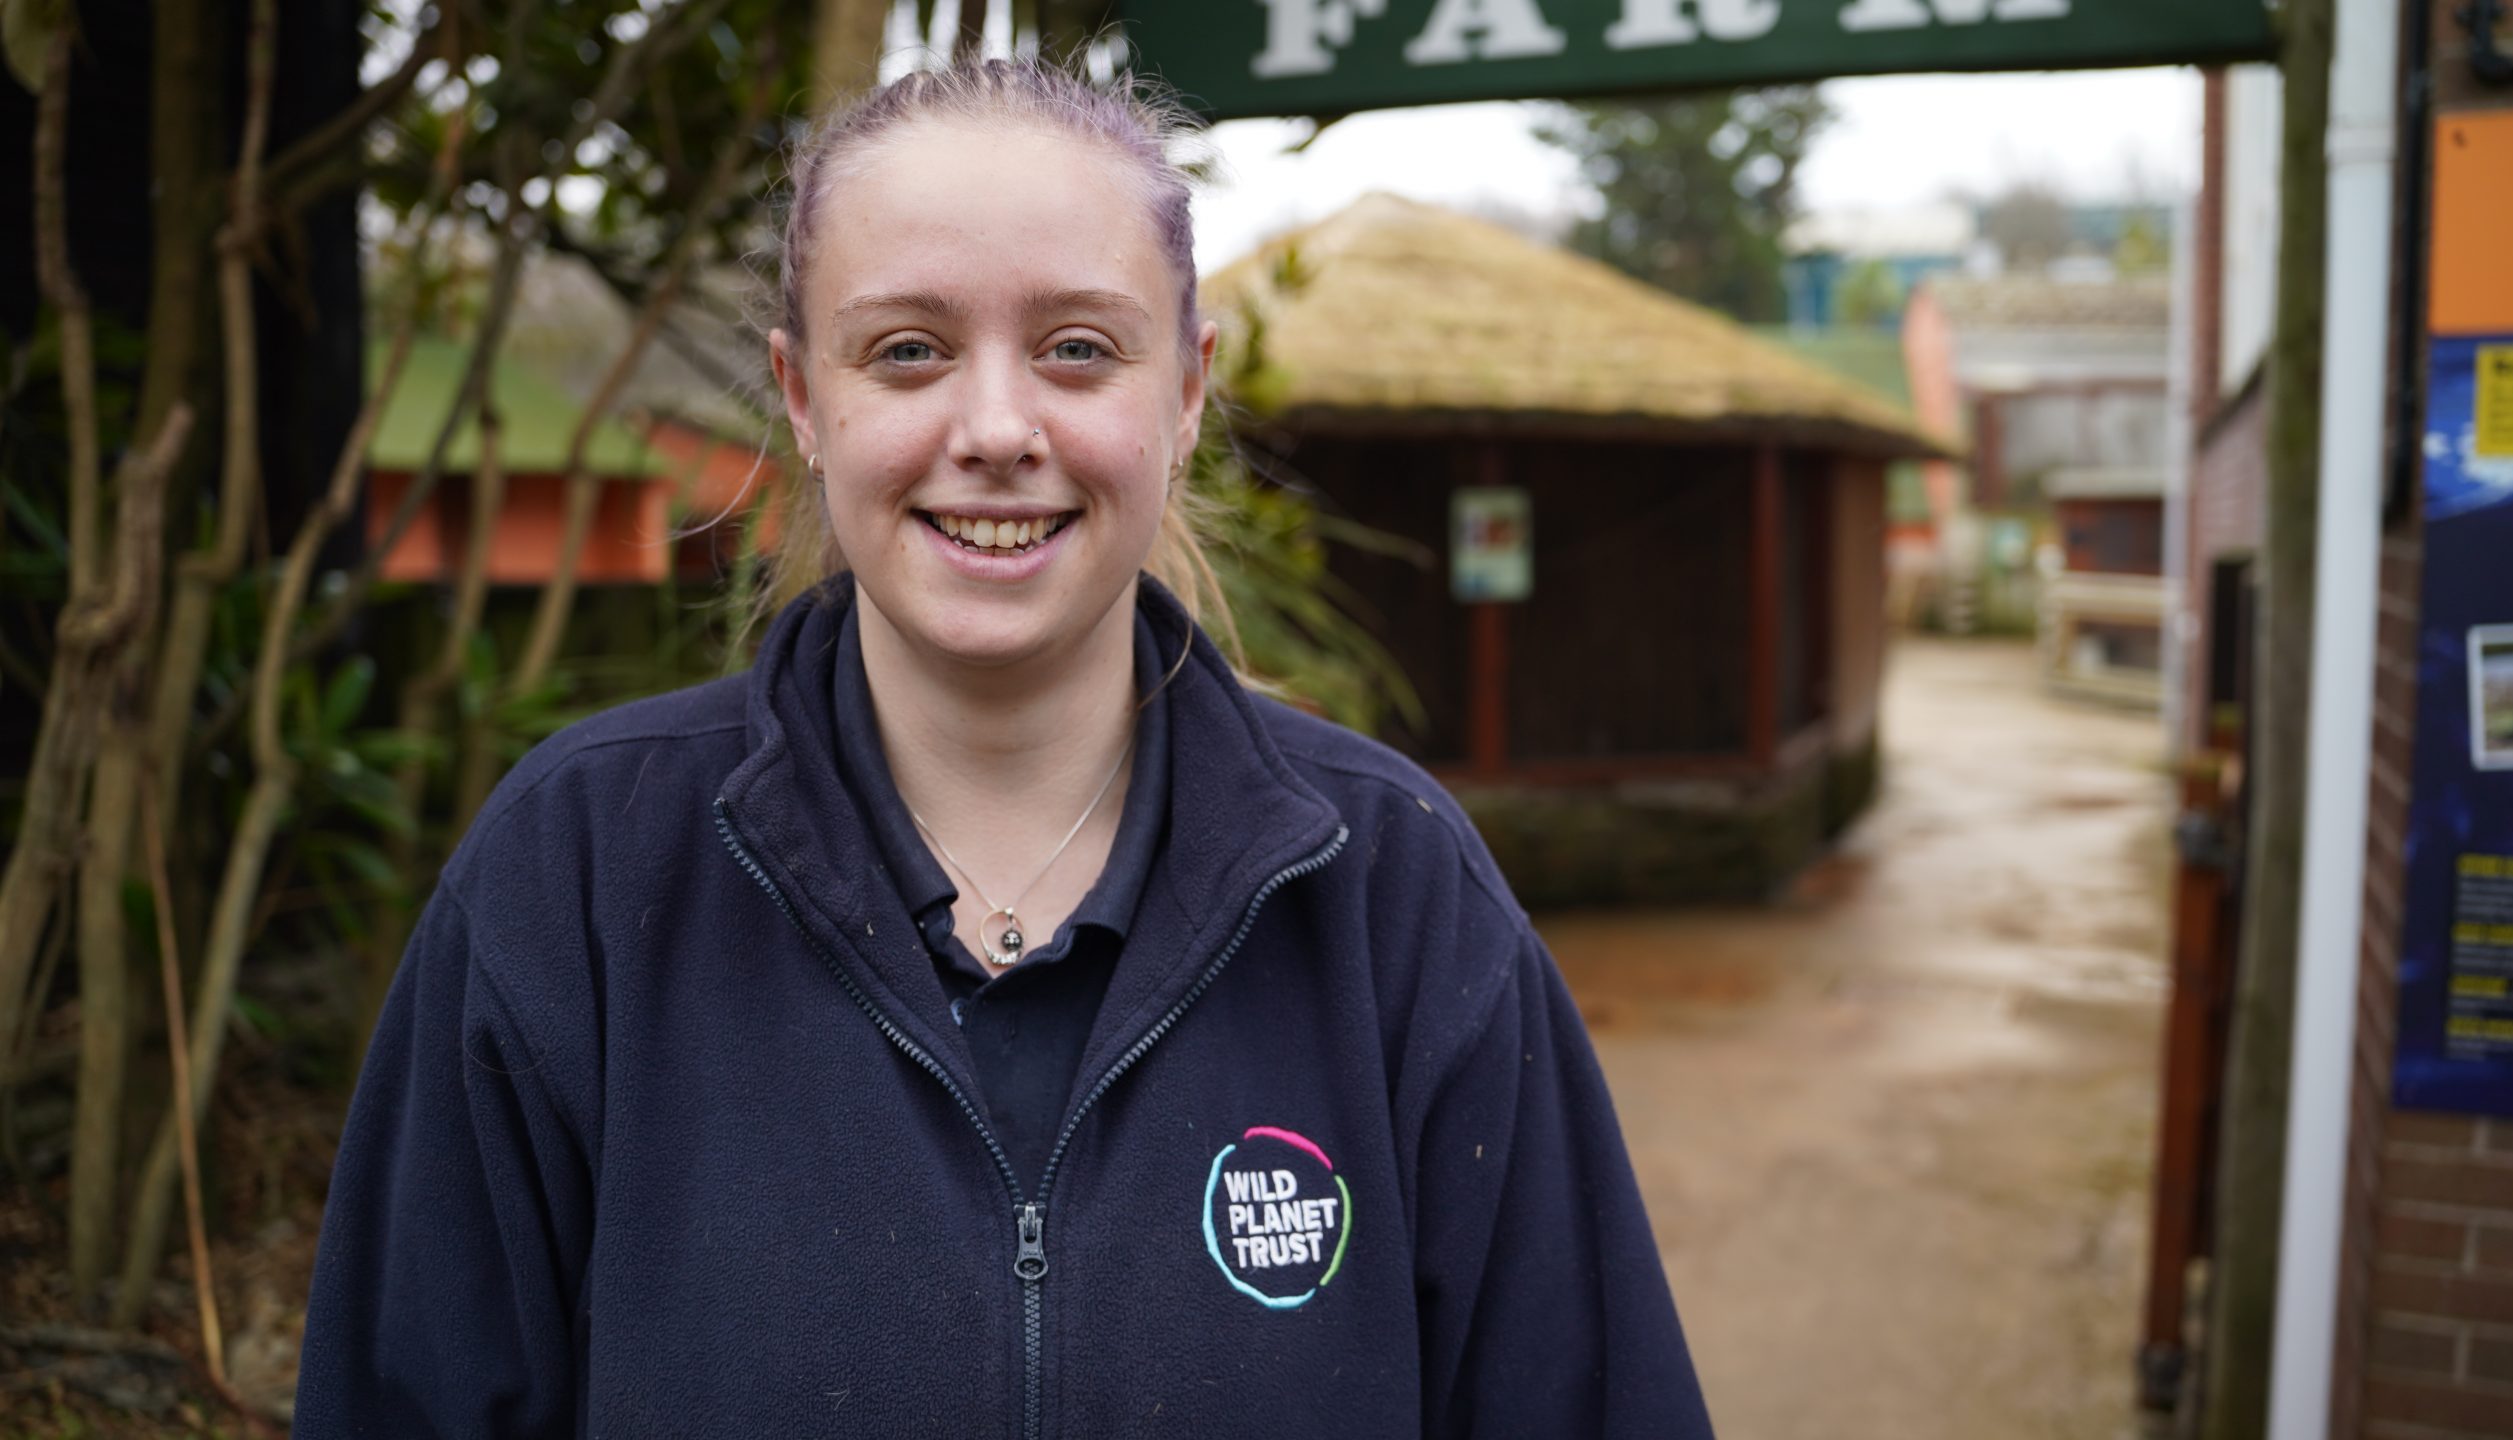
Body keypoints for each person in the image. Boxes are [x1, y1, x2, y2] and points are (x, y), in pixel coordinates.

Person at [296, 57, 1713, 1438]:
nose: (993, 430)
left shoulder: (1394, 897)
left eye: (1077, 349)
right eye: (907, 349)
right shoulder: (575, 882)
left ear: (1187, 390)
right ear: (802, 396)